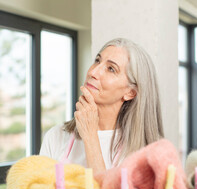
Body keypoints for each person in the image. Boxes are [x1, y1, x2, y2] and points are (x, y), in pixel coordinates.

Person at [40, 38, 164, 174]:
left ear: (130, 92)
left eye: (111, 69)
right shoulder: (55, 137)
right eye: (97, 61)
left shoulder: (144, 154)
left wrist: (91, 137)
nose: (93, 72)